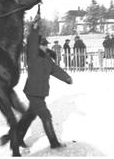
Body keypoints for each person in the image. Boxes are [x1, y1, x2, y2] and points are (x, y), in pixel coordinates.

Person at [17, 14, 73, 149]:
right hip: (32, 91)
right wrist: (35, 28)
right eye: (42, 45)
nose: (44, 47)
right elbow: (31, 41)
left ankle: (17, 137)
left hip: (41, 91)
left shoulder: (47, 59)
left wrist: (66, 78)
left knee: (30, 115)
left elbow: (55, 69)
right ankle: (54, 143)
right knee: (46, 116)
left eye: (45, 45)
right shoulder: (32, 55)